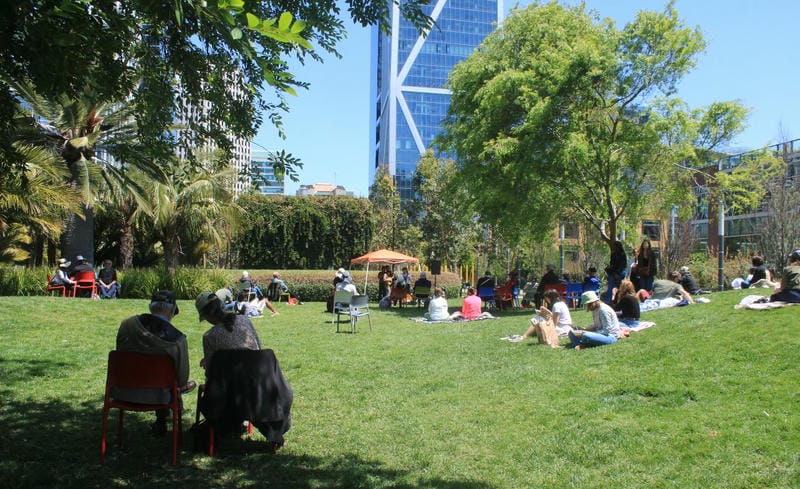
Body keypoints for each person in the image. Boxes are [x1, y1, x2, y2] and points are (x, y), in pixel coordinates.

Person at [115, 290, 196, 435]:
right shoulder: (177, 340)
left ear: (150, 306)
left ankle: (160, 422)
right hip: (159, 396)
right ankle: (163, 422)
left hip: (123, 391)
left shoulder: (127, 325)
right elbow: (182, 378)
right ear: (172, 311)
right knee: (174, 383)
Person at [196, 291, 262, 372]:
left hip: (235, 381)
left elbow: (211, 372)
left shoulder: (209, 337)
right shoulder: (245, 319)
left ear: (207, 315)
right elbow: (258, 346)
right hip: (259, 375)